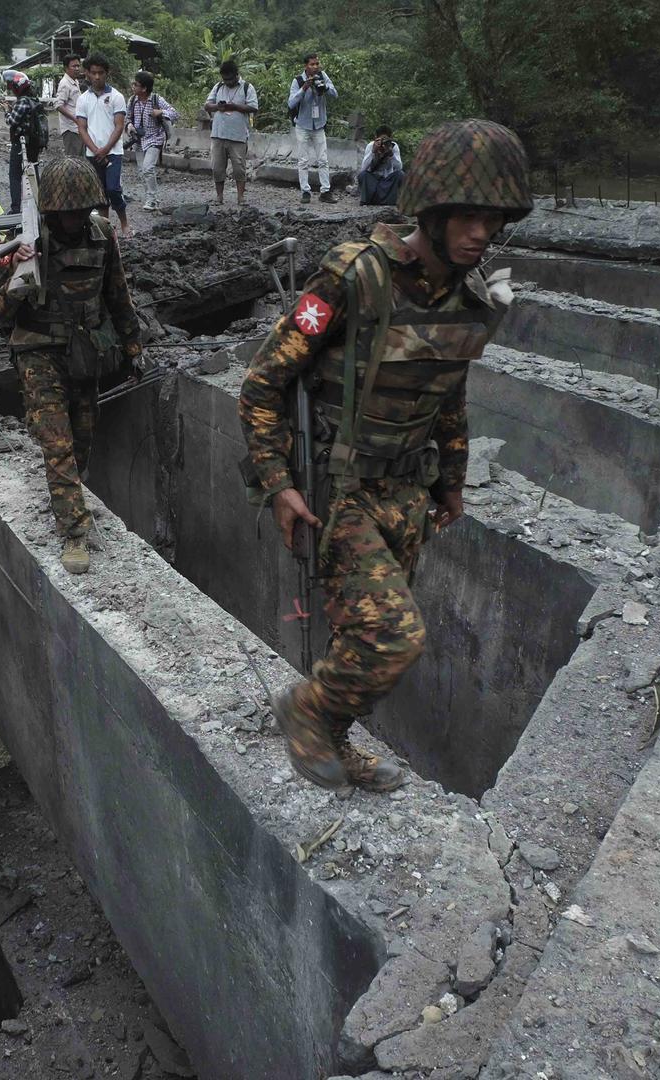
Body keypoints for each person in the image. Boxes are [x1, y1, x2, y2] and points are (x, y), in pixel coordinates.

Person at [237, 119, 533, 792]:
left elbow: (449, 394)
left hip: (406, 496)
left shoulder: (469, 295)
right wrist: (278, 483)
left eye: (493, 220)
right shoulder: (353, 278)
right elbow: (262, 384)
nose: (481, 233)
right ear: (430, 211)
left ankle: (334, 741)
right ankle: (306, 710)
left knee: (360, 636)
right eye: (467, 216)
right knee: (394, 637)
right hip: (340, 492)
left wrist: (451, 484)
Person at [0, 157, 144, 575]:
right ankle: (74, 530)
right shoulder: (22, 241)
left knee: (82, 437)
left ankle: (69, 491)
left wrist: (132, 345)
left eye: (81, 210)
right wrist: (20, 272)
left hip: (85, 349)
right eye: (66, 212)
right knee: (56, 440)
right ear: (51, 209)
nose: (75, 218)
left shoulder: (101, 235)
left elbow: (118, 294)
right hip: (37, 350)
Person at [75, 53, 128, 237]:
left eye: (101, 73)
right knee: (99, 196)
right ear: (87, 74)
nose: (97, 77)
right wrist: (95, 149)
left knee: (113, 189)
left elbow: (119, 126)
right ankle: (106, 229)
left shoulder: (116, 97)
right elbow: (82, 128)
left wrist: (105, 149)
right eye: (93, 73)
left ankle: (124, 223)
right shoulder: (83, 99)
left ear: (107, 73)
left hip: (113, 152)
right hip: (92, 154)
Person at [205, 60, 258, 205]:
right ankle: (219, 197)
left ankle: (241, 197)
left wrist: (235, 107)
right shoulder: (218, 87)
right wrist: (218, 106)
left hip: (238, 135)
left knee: (239, 168)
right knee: (217, 167)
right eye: (225, 79)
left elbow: (253, 107)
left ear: (236, 75)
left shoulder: (247, 87)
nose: (227, 82)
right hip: (218, 134)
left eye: (230, 79)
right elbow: (207, 105)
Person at [288, 53, 338, 203]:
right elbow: (291, 103)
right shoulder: (297, 81)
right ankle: (305, 191)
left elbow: (335, 94)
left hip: (319, 124)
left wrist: (324, 86)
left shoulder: (323, 76)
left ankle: (325, 191)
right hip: (303, 125)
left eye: (317, 64)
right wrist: (304, 88)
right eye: (312, 64)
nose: (315, 67)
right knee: (303, 160)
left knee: (323, 159)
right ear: (306, 66)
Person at [127, 71, 178, 212]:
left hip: (154, 138)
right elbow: (127, 118)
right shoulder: (132, 101)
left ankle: (152, 199)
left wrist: (160, 112)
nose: (133, 86)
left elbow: (175, 113)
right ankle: (150, 197)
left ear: (144, 88)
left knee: (148, 168)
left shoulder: (156, 99)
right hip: (138, 140)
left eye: (135, 84)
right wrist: (129, 126)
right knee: (142, 170)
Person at [3, 69, 48, 215]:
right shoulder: (33, 100)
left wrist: (6, 112)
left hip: (21, 143)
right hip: (34, 144)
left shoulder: (22, 101)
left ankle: (15, 208)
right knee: (33, 173)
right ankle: (39, 204)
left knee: (14, 175)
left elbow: (12, 121)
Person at [357, 125, 404, 206]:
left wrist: (391, 154)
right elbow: (363, 168)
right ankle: (379, 200)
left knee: (400, 175)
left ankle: (380, 199)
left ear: (390, 138)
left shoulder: (394, 146)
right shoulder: (371, 145)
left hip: (387, 180)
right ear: (376, 138)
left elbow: (399, 167)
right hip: (373, 180)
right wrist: (373, 151)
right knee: (362, 175)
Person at [54, 55, 84, 159]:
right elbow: (58, 105)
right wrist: (75, 119)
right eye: (74, 66)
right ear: (66, 68)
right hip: (70, 130)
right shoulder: (64, 83)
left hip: (77, 129)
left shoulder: (75, 81)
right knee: (73, 161)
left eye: (78, 66)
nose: (77, 68)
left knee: (80, 160)